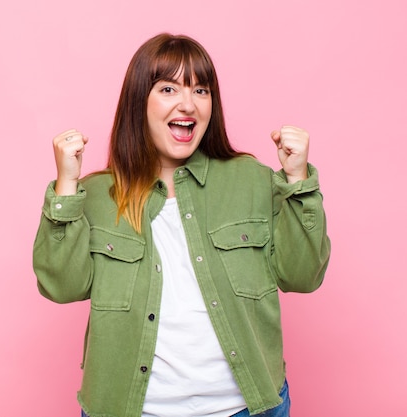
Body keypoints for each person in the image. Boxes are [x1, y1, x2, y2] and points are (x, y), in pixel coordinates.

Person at [32, 33, 330, 417]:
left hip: (246, 408)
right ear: (139, 101)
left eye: (201, 90)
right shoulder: (96, 194)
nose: (188, 104)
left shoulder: (252, 180)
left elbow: (303, 276)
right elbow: (60, 286)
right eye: (169, 88)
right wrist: (66, 186)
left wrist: (297, 181)